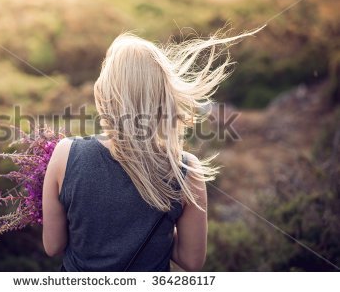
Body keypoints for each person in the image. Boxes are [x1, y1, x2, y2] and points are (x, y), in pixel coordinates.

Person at [42, 29, 260, 271]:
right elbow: (191, 261)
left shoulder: (65, 154)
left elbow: (53, 246)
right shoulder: (186, 171)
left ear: (106, 92)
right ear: (163, 96)